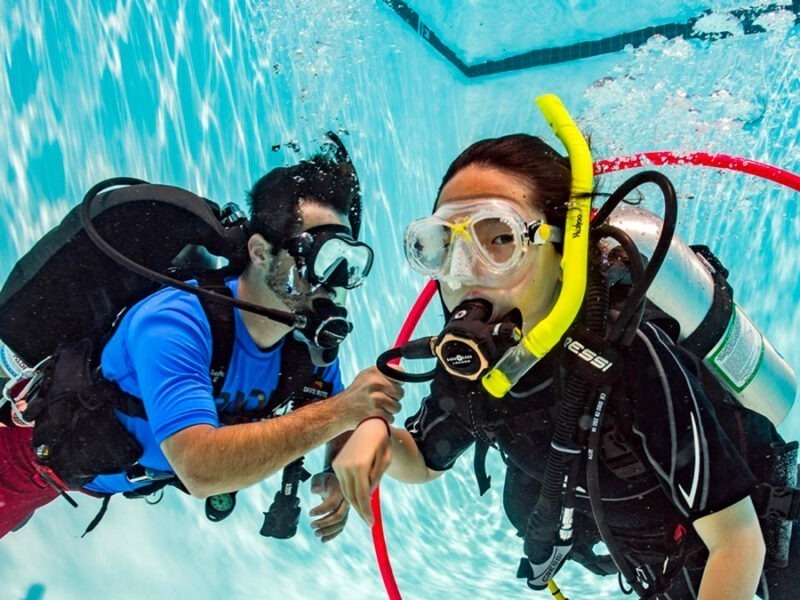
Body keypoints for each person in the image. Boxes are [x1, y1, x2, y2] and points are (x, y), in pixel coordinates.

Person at [332, 134, 799, 599]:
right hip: (659, 561)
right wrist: (377, 433)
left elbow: (737, 541)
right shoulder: (472, 366)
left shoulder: (630, 357)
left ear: (564, 251)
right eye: (440, 246)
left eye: (499, 239)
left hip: (763, 541)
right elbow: (427, 460)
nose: (464, 272)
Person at [0, 146, 404, 540]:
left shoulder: (305, 343)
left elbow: (340, 406)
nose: (334, 282)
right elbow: (200, 468)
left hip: (87, 475)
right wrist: (343, 412)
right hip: (21, 461)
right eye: (320, 257)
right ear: (261, 253)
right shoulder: (176, 321)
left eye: (349, 262)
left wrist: (341, 463)